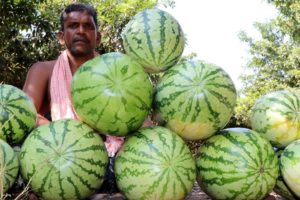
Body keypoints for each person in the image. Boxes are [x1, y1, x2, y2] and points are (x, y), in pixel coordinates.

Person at [23, 2, 131, 196]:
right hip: (58, 152)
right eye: (73, 26)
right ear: (61, 37)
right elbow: (26, 115)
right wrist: (73, 138)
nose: (81, 31)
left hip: (105, 151)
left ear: (97, 37)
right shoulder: (43, 70)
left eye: (88, 26)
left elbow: (130, 116)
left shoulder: (114, 73)